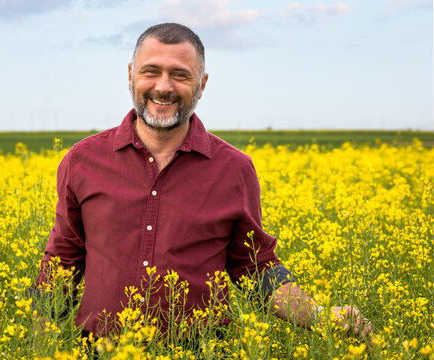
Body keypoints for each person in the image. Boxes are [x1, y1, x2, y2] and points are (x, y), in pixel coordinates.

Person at [33, 22, 372, 339]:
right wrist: (35, 346)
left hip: (200, 348)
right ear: (130, 75)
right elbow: (62, 261)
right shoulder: (82, 160)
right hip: (100, 351)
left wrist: (323, 317)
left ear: (202, 84)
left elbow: (255, 269)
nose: (163, 87)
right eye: (151, 71)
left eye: (180, 75)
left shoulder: (234, 169)